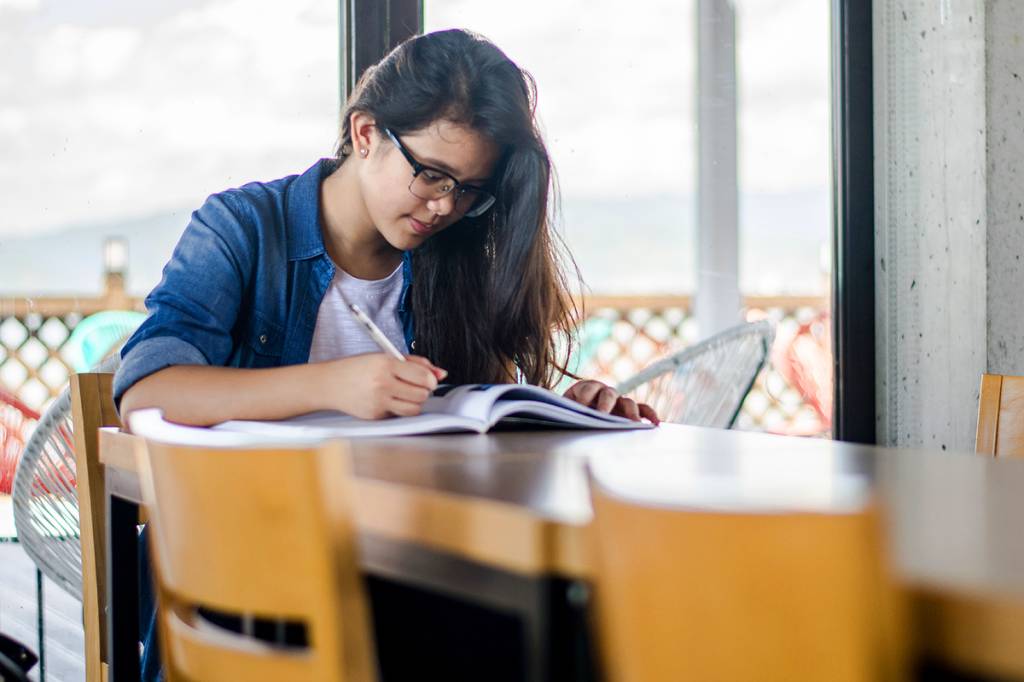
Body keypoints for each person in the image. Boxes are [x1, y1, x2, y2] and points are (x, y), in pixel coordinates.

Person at [114, 28, 658, 426]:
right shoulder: (242, 228)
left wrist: (570, 412)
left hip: (395, 540)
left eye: (469, 189)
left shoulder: (455, 253)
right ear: (367, 132)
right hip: (239, 541)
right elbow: (147, 393)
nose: (446, 206)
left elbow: (477, 422)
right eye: (433, 175)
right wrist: (331, 384)